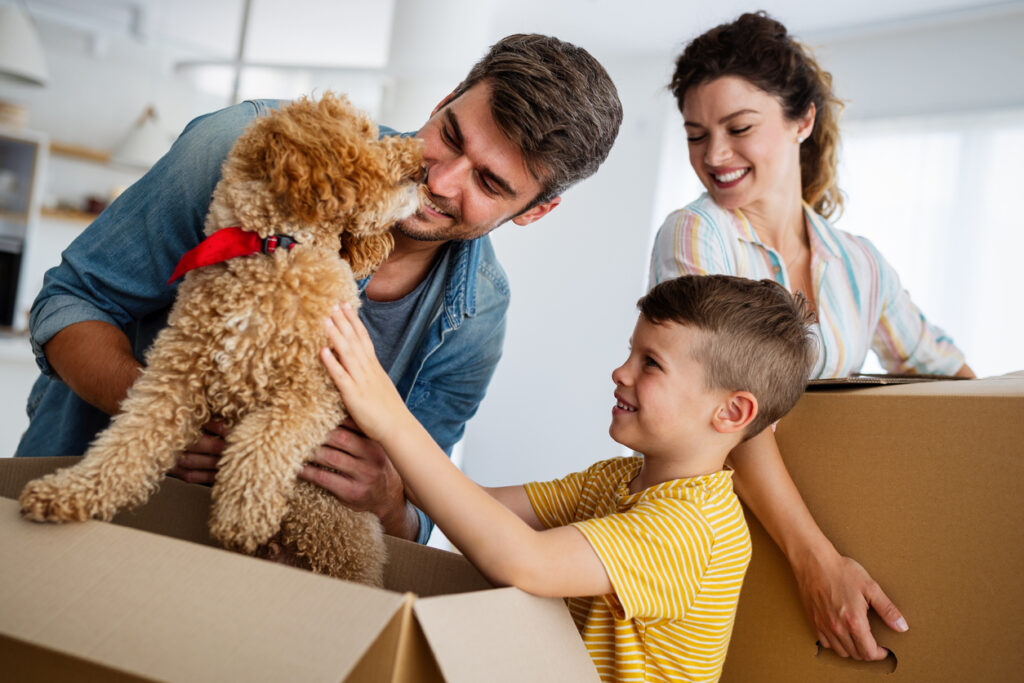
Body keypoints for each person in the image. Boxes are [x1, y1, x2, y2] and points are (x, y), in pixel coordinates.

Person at [14, 34, 623, 546]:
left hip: (249, 573)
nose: (438, 180)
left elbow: (421, 507)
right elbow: (71, 300)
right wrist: (155, 417)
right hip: (80, 513)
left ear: (534, 211)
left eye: (489, 182)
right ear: (442, 102)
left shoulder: (478, 315)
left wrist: (387, 501)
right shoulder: (251, 149)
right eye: (452, 137)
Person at [318, 274, 818, 682]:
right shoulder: (616, 480)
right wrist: (384, 476)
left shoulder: (695, 528)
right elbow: (474, 506)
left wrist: (391, 417)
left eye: (651, 364)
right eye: (630, 352)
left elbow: (523, 561)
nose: (620, 372)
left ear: (731, 412)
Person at [649, 12, 954, 660]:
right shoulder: (697, 235)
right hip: (725, 534)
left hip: (835, 534)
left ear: (801, 121)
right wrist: (814, 558)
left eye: (739, 128)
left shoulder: (860, 265)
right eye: (697, 135)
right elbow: (728, 411)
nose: (714, 156)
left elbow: (946, 370)